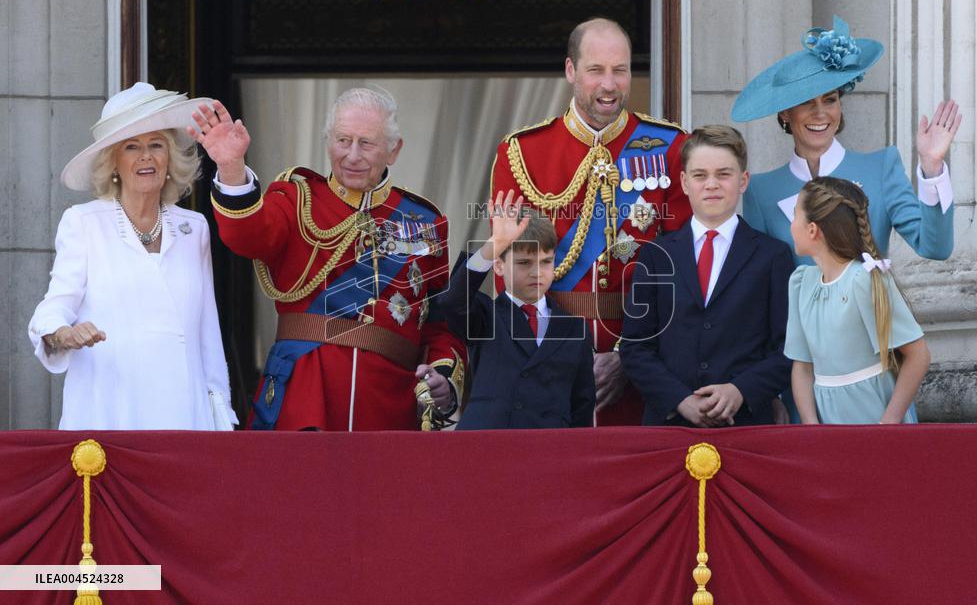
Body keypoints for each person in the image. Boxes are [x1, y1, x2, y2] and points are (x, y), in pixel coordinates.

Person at [197, 87, 465, 431]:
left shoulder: (423, 222)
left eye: (366, 143)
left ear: (393, 150)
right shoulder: (295, 199)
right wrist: (232, 167)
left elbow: (439, 324)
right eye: (342, 140)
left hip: (387, 407)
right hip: (305, 398)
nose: (352, 155)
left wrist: (442, 376)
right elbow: (247, 236)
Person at [490, 17, 692, 425]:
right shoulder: (523, 153)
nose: (610, 84)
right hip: (548, 364)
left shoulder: (671, 147)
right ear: (570, 71)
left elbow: (682, 270)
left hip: (644, 364)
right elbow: (509, 275)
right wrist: (558, 353)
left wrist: (626, 356)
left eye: (620, 70)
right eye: (596, 70)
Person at [27, 82, 237, 430]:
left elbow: (207, 335)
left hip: (185, 416)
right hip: (111, 412)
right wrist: (64, 333)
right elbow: (53, 306)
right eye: (131, 147)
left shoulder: (193, 228)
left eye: (156, 145)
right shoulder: (84, 223)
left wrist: (221, 417)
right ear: (113, 162)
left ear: (170, 157)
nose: (146, 156)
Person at [733, 15, 962, 267]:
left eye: (829, 100)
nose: (820, 113)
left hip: (870, 306)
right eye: (806, 102)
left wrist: (932, 169)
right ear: (785, 113)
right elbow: (760, 277)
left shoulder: (881, 167)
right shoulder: (761, 190)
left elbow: (935, 248)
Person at [620, 126, 793, 427]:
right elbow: (636, 346)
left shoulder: (773, 256)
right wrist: (679, 400)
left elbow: (788, 347)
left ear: (743, 181)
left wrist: (742, 390)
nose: (711, 184)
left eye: (723, 174)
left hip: (746, 424)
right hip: (669, 426)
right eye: (700, 175)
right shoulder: (655, 255)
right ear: (685, 183)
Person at [441, 191, 595, 430]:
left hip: (549, 454)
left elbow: (581, 407)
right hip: (487, 448)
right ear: (499, 266)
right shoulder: (485, 315)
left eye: (546, 261)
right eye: (524, 263)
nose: (537, 272)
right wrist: (495, 245)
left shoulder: (575, 328)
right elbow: (452, 302)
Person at [785, 176, 929, 424]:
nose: (791, 224)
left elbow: (918, 355)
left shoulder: (863, 280)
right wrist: (810, 425)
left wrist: (888, 424)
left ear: (812, 229)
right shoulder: (800, 283)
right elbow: (802, 365)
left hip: (872, 413)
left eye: (795, 214)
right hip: (826, 420)